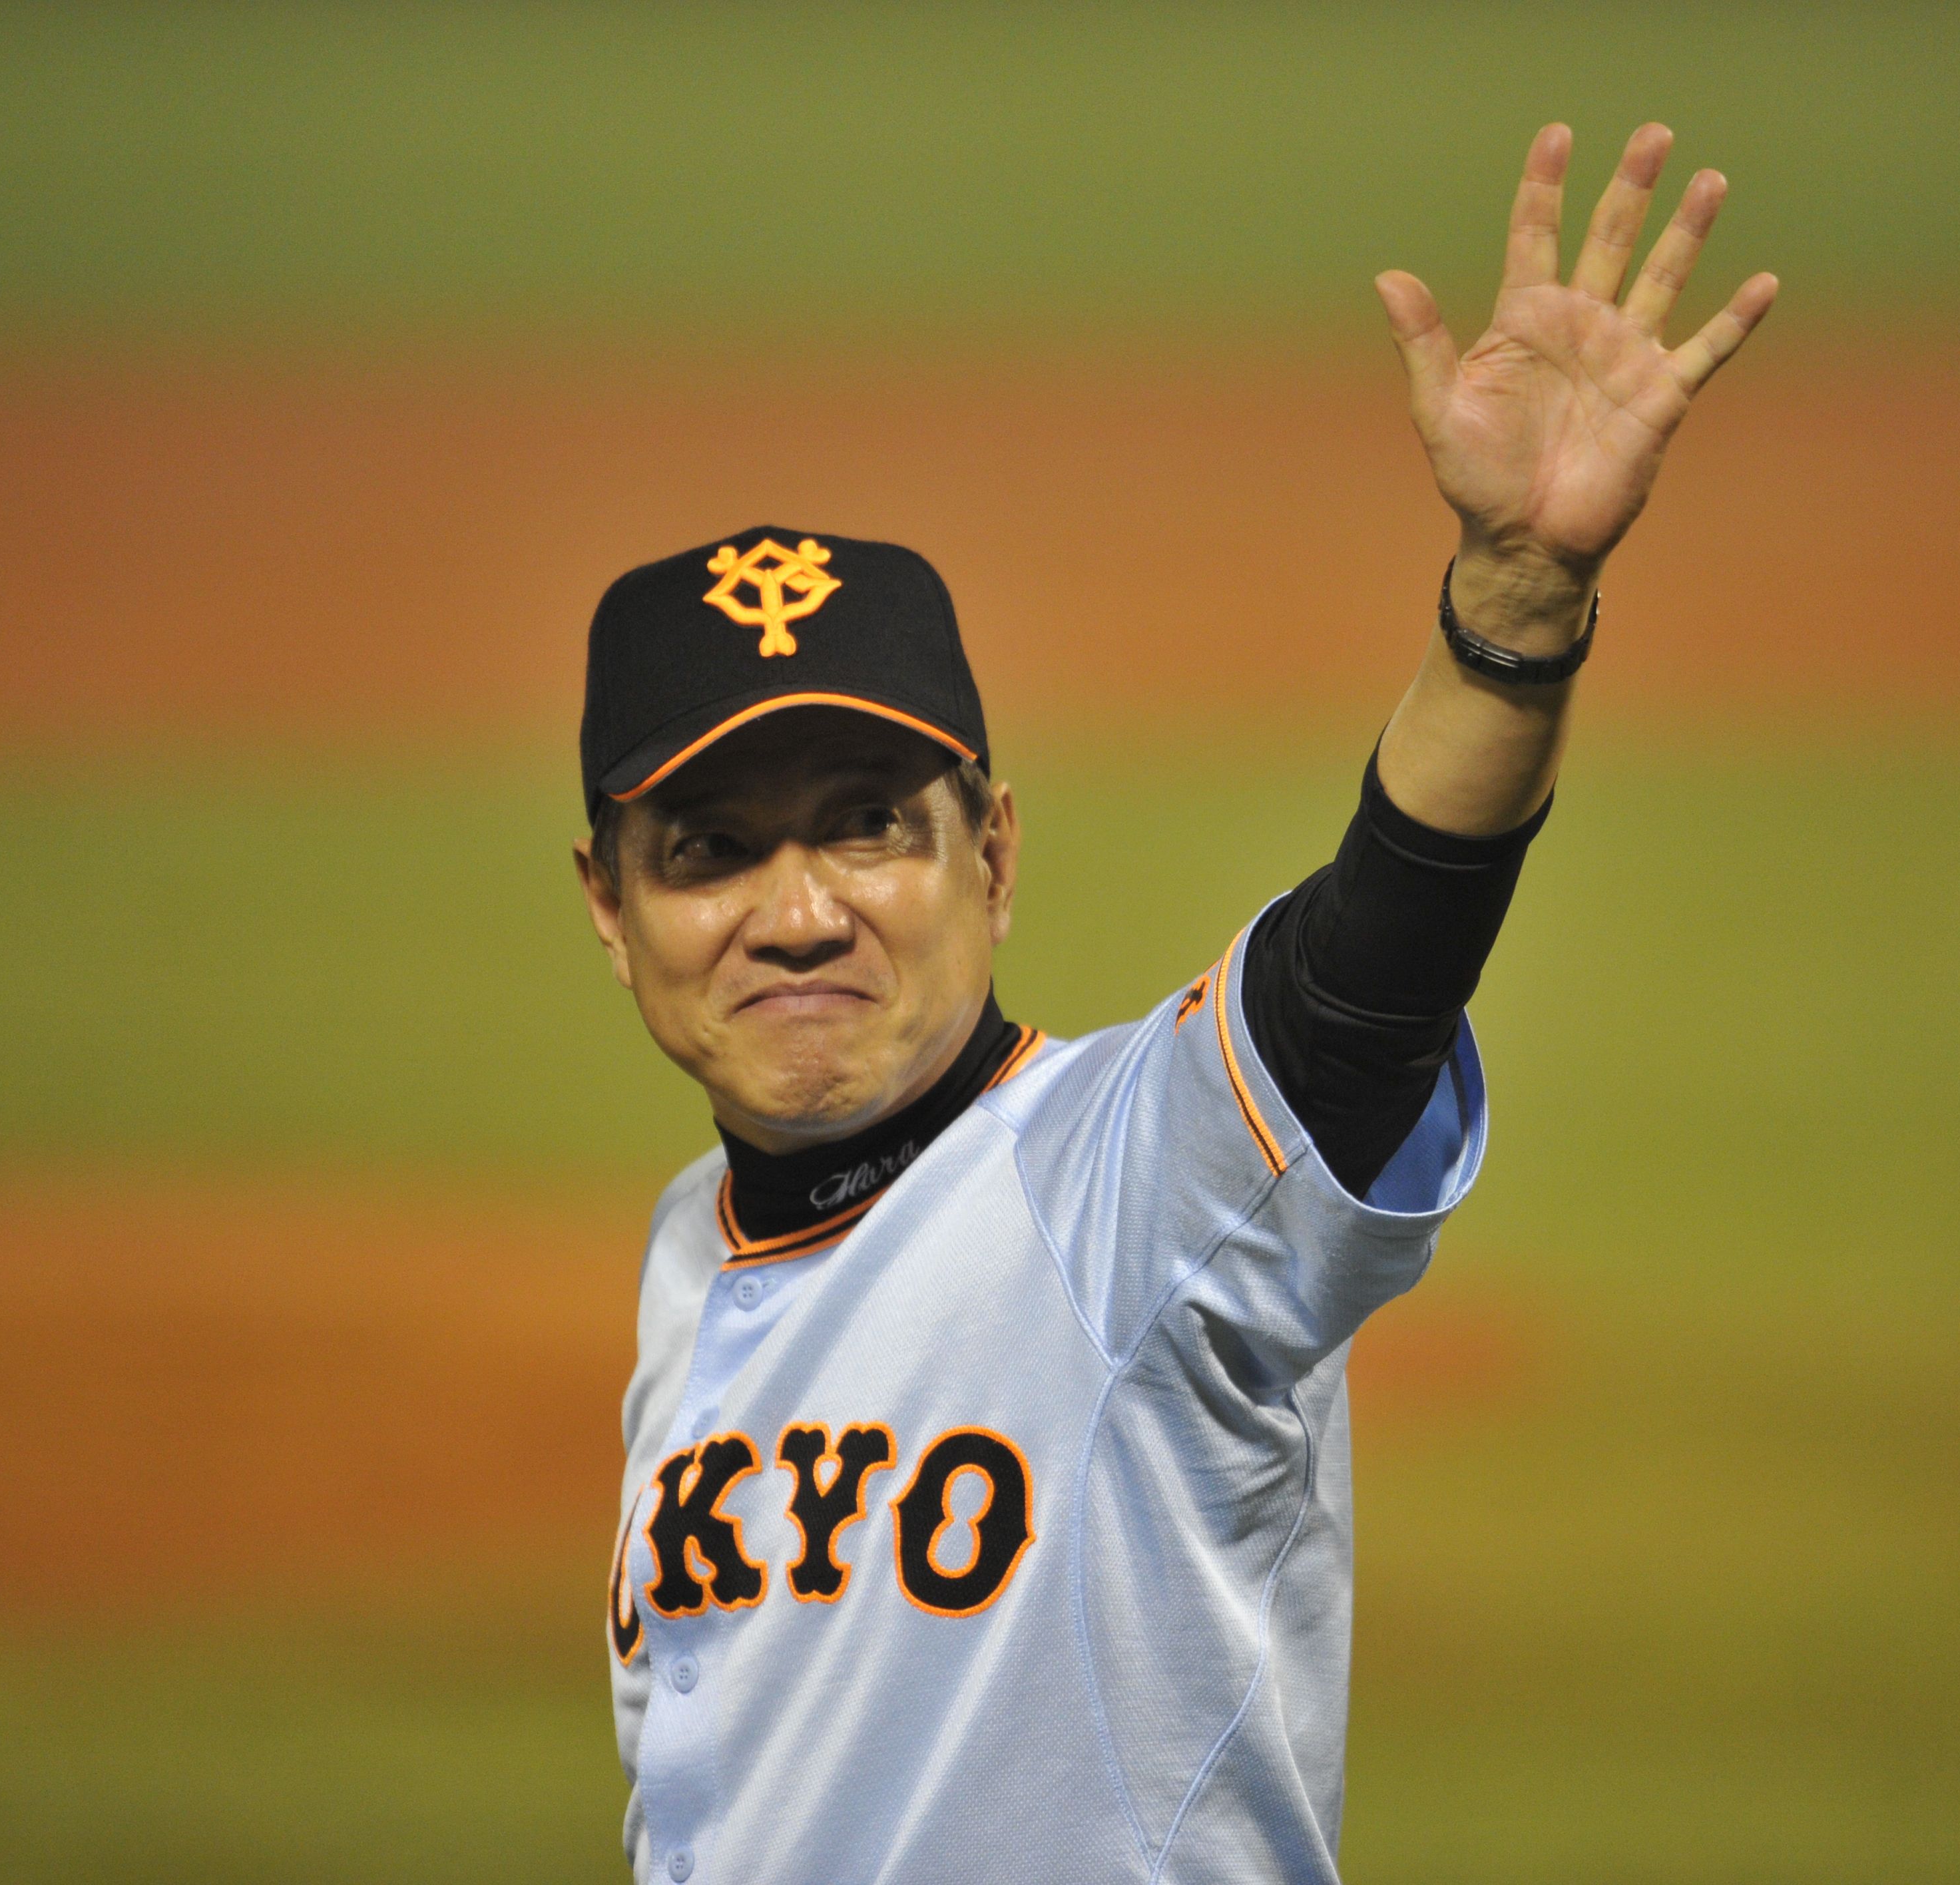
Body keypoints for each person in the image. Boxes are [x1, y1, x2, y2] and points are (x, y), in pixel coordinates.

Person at [573, 120, 1774, 1884]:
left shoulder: (1118, 1185)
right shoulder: (694, 1252)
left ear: (991, 854)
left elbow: (1358, 992)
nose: (801, 913)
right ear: (612, 911)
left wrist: (1515, 608)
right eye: (712, 851)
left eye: (867, 827)